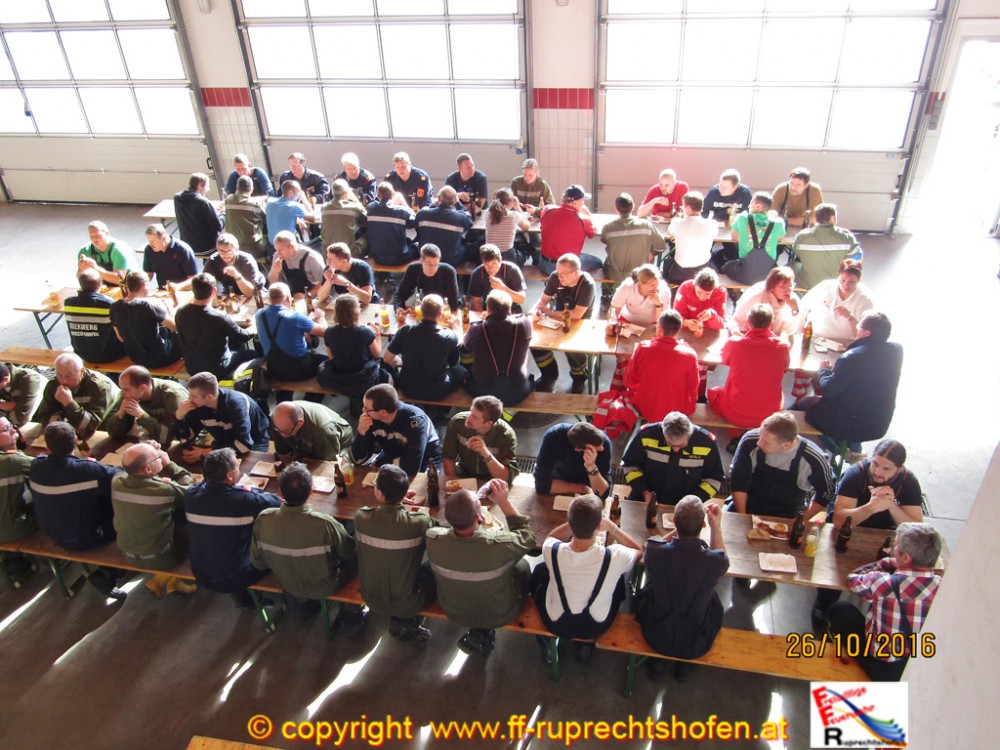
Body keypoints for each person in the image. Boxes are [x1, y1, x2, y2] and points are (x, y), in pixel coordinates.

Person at [812, 439, 925, 630]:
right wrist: (871, 507)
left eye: (886, 468)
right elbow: (839, 520)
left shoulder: (909, 482)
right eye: (875, 464)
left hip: (882, 534)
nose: (878, 472)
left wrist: (890, 505)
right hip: (847, 531)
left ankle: (877, 612)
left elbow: (915, 527)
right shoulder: (856, 474)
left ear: (899, 469)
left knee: (890, 572)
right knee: (833, 574)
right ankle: (823, 605)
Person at [425, 479, 536, 656]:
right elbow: (528, 537)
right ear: (479, 517)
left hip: (454, 611)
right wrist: (504, 502)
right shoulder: (499, 546)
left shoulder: (433, 540)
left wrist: (461, 514)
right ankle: (483, 630)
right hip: (501, 613)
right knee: (522, 566)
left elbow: (447, 529)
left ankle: (480, 632)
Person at [251, 462, 366, 629]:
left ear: (281, 492)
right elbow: (348, 552)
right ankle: (353, 614)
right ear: (311, 491)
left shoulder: (263, 520)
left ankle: (305, 602)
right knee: (358, 551)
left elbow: (258, 562)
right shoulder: (324, 524)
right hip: (325, 586)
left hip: (288, 583)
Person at [531, 494, 642, 663]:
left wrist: (575, 521)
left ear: (570, 522)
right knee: (618, 579)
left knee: (540, 571)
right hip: (596, 626)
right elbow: (639, 551)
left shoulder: (551, 550)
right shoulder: (615, 556)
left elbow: (551, 537)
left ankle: (545, 644)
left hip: (557, 624)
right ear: (599, 526)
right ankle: (585, 648)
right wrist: (612, 527)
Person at [828, 522, 941, 682]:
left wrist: (884, 563)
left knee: (840, 610)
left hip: (882, 666)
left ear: (906, 557)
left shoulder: (883, 582)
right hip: (915, 663)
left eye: (895, 546)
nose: (893, 548)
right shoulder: (943, 587)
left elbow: (853, 579)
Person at [29, 421, 126, 599]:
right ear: (75, 440)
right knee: (122, 508)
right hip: (88, 538)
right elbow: (121, 476)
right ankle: (108, 572)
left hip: (52, 533)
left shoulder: (37, 466)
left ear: (47, 446)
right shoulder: (89, 469)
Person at [638, 496, 729, 682]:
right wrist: (716, 526)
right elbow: (722, 557)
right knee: (713, 600)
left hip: (657, 636)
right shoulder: (713, 562)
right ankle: (685, 669)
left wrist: (679, 528)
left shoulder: (656, 553)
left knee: (649, 589)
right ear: (703, 525)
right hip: (695, 643)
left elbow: (648, 547)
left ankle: (657, 665)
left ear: (674, 521)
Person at [185, 447, 282, 606]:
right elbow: (276, 502)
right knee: (271, 544)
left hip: (200, 573)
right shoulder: (244, 499)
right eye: (237, 466)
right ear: (229, 475)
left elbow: (200, 486)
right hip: (236, 577)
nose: (239, 469)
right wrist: (248, 489)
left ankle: (244, 600)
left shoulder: (191, 495)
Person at [353, 464, 437, 645]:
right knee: (432, 566)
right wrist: (401, 505)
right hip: (409, 602)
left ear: (379, 493)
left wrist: (396, 502)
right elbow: (435, 529)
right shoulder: (419, 522)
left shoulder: (361, 517)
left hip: (371, 597)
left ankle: (353, 614)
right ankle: (408, 620)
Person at [797, 311, 903, 447]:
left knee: (803, 403)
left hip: (850, 424)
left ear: (867, 333)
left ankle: (821, 447)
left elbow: (829, 391)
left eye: (859, 327)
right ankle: (853, 448)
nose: (857, 330)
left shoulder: (851, 357)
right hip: (878, 424)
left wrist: (823, 370)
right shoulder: (897, 350)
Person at [112, 441, 196, 596]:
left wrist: (146, 452)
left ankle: (163, 580)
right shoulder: (163, 490)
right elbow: (191, 492)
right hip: (163, 558)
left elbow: (135, 468)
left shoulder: (117, 481)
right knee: (194, 525)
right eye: (157, 457)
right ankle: (173, 580)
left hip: (128, 555)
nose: (160, 457)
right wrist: (169, 464)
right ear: (148, 469)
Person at [708, 304, 791, 445]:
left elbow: (724, 360)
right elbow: (785, 368)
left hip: (736, 412)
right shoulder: (783, 346)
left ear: (748, 323)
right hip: (770, 412)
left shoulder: (735, 344)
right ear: (771, 324)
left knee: (714, 392)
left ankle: (736, 435)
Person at [729, 411, 836, 518]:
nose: (758, 443)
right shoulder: (749, 441)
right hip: (748, 503)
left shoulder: (814, 459)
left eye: (766, 442)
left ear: (786, 445)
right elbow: (738, 480)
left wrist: (801, 520)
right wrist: (742, 517)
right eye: (760, 435)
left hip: (789, 512)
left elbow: (826, 492)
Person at [623, 411, 726, 504]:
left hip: (688, 504)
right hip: (644, 497)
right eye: (670, 444)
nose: (676, 449)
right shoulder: (645, 435)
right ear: (663, 433)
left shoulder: (707, 443)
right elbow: (630, 466)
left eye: (681, 445)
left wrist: (693, 500)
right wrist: (644, 491)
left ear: (690, 435)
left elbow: (715, 479)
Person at [529, 254, 596, 394]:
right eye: (558, 272)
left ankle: (579, 378)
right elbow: (543, 300)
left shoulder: (587, 284)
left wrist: (549, 312)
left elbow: (577, 314)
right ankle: (549, 374)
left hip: (580, 322)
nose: (559, 277)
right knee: (535, 342)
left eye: (563, 274)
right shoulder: (555, 277)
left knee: (572, 348)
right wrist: (536, 310)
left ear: (575, 273)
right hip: (557, 318)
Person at [174, 272, 258, 381]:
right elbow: (244, 336)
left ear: (193, 290)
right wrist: (254, 326)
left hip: (193, 367)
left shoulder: (180, 312)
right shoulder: (218, 317)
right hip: (217, 369)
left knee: (232, 343)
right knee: (252, 354)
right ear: (214, 291)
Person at [623, 309, 699, 423]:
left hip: (646, 406)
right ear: (678, 331)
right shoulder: (690, 355)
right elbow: (693, 386)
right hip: (677, 409)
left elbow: (628, 381)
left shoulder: (643, 348)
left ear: (659, 330)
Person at [384, 294, 465, 401]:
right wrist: (456, 325)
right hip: (436, 390)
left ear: (421, 312)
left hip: (407, 387)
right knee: (461, 370)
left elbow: (387, 359)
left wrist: (402, 362)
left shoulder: (404, 331)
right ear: (440, 315)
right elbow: (460, 341)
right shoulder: (447, 335)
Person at [350, 384, 440, 476]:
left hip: (425, 460)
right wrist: (361, 432)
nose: (363, 411)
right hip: (393, 456)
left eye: (366, 408)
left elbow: (411, 468)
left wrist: (384, 463)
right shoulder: (371, 419)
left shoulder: (415, 421)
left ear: (383, 412)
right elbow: (358, 460)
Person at [463, 289, 534, 406]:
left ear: (488, 308)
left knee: (462, 369)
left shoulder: (476, 328)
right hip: (518, 392)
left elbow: (466, 345)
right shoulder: (524, 323)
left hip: (482, 392)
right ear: (510, 308)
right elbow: (522, 319)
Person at [174, 372, 270, 457]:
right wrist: (179, 417)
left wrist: (206, 453)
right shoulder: (198, 404)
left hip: (254, 445)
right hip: (223, 445)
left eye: (194, 396)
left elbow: (244, 445)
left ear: (210, 397)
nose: (189, 399)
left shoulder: (236, 405)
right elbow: (187, 438)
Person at [254, 282, 326, 394]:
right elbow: (325, 332)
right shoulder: (295, 317)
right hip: (300, 370)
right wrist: (321, 318)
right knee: (325, 362)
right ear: (288, 297)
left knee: (285, 357)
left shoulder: (259, 315)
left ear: (269, 298)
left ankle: (283, 397)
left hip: (274, 369)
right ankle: (312, 397)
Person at [607, 263, 670, 389]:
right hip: (628, 323)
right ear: (641, 283)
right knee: (624, 354)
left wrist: (658, 304)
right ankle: (629, 386)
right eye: (651, 285)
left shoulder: (663, 291)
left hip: (652, 327)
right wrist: (611, 322)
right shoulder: (628, 286)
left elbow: (661, 321)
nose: (655, 287)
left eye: (657, 283)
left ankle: (638, 386)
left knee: (648, 357)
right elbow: (614, 309)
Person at [317, 294, 392, 398]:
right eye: (358, 306)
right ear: (355, 312)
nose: (360, 308)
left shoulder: (329, 332)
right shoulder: (365, 332)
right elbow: (377, 354)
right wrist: (378, 333)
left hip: (341, 377)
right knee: (389, 374)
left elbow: (331, 357)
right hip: (363, 377)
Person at [34, 352, 119, 441]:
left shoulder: (99, 387)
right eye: (59, 375)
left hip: (106, 432)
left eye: (69, 375)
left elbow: (91, 425)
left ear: (81, 371)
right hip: (70, 433)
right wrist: (63, 424)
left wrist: (69, 403)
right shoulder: (53, 385)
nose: (63, 381)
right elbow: (45, 417)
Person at [109, 270, 182, 369]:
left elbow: (121, 338)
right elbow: (175, 327)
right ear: (144, 286)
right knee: (183, 334)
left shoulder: (114, 307)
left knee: (163, 331)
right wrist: (170, 310)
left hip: (135, 357)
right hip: (160, 358)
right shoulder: (147, 306)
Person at [104, 365, 187, 445]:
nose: (122, 393)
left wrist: (142, 415)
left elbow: (167, 438)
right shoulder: (129, 394)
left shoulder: (172, 395)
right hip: (150, 441)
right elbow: (114, 435)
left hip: (183, 444)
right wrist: (120, 415)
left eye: (126, 389)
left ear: (142, 388)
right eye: (121, 388)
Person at [442, 396, 518, 483]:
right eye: (471, 412)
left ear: (488, 423)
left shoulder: (505, 435)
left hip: (492, 480)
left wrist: (485, 453)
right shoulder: (457, 423)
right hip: (463, 474)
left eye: (475, 417)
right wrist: (453, 483)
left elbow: (506, 477)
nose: (469, 418)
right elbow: (448, 457)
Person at [791, 203, 863, 289]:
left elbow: (796, 252)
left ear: (816, 218)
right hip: (836, 284)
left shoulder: (802, 236)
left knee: (792, 265)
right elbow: (858, 257)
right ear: (832, 218)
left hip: (809, 284)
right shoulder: (846, 237)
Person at [800, 259, 874, 342]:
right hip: (816, 337)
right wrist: (799, 329)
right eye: (842, 280)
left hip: (846, 342)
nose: (846, 285)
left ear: (858, 280)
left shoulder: (865, 299)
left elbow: (862, 335)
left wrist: (850, 317)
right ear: (838, 276)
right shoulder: (825, 287)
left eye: (851, 282)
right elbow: (803, 306)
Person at [600, 192, 667, 283]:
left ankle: (606, 291)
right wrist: (652, 254)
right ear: (633, 206)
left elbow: (604, 240)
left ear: (615, 208)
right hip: (640, 274)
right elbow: (661, 246)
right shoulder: (646, 225)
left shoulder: (607, 228)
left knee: (602, 262)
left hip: (615, 275)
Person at [534, 422, 612, 500]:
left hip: (589, 482)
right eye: (597, 448)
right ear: (578, 449)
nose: (602, 448)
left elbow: (602, 494)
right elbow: (541, 485)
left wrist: (591, 467)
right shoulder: (554, 436)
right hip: (560, 480)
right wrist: (582, 488)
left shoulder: (603, 442)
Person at [63, 268, 126, 363]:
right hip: (110, 354)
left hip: (82, 353)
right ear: (101, 284)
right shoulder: (108, 304)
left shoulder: (68, 303)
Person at [723, 192, 786, 285]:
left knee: (727, 266)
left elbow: (734, 236)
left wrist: (748, 240)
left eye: (751, 203)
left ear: (758, 206)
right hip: (768, 277)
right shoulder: (778, 223)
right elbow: (780, 238)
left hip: (745, 274)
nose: (749, 206)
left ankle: (734, 291)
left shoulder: (742, 218)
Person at [538, 185, 599, 275]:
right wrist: (587, 213)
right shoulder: (583, 219)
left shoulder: (548, 209)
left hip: (544, 264)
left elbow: (542, 214)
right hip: (566, 267)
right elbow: (593, 233)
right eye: (582, 200)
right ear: (575, 203)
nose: (583, 203)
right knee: (598, 262)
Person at [271, 401, 353, 462]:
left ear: (300, 423)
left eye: (286, 431)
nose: (282, 435)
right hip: (309, 437)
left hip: (339, 442)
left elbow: (329, 463)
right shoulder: (278, 420)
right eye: (278, 430)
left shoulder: (322, 431)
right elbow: (283, 454)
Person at [732, 266, 802, 336]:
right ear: (772, 287)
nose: (789, 290)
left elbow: (792, 332)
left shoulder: (793, 300)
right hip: (751, 336)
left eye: (790, 286)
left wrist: (795, 309)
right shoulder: (757, 296)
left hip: (777, 338)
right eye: (784, 288)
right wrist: (736, 332)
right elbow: (736, 320)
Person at [665, 192, 718, 283]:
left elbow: (670, 230)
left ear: (688, 207)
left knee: (667, 262)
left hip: (679, 273)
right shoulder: (712, 224)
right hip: (702, 272)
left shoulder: (677, 223)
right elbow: (714, 234)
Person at [415, 185, 474, 267]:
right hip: (450, 261)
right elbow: (469, 220)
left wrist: (433, 204)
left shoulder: (423, 214)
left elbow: (417, 224)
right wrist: (458, 204)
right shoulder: (460, 218)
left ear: (438, 198)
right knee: (467, 246)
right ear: (454, 200)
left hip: (426, 257)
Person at [392, 244, 461, 312]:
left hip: (443, 307)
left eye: (436, 264)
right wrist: (398, 309)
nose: (432, 268)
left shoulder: (448, 272)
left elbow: (453, 305)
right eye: (428, 264)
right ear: (421, 261)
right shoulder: (413, 269)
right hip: (422, 305)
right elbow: (400, 295)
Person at [0, 416, 36, 544]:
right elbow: (48, 468)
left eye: (11, 426)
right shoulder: (11, 460)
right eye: (6, 429)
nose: (14, 431)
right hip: (11, 531)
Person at [200, 233, 268, 298]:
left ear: (237, 249)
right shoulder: (213, 260)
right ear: (217, 249)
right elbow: (204, 284)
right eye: (222, 251)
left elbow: (251, 293)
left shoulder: (246, 260)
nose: (226, 254)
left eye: (229, 251)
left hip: (256, 293)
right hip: (230, 292)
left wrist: (237, 276)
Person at [366, 181, 418, 266]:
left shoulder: (370, 208)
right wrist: (404, 204)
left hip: (377, 258)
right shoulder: (402, 211)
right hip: (399, 258)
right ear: (392, 195)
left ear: (378, 196)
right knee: (417, 246)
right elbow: (415, 222)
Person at [173, 172, 223, 257]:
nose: (208, 189)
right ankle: (209, 263)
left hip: (186, 246)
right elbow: (218, 226)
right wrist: (223, 214)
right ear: (200, 186)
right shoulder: (202, 202)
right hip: (206, 248)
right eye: (207, 186)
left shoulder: (177, 198)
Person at [467, 244, 525, 313]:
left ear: (500, 260)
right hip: (488, 310)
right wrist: (484, 316)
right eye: (486, 264)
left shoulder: (512, 270)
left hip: (512, 310)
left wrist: (502, 288)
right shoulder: (477, 273)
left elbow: (521, 299)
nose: (490, 269)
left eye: (494, 264)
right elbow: (475, 301)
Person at [316, 242, 378, 306]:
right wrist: (329, 281)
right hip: (347, 304)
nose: (327, 261)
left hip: (369, 304)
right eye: (327, 257)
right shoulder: (329, 268)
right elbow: (321, 298)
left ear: (343, 261)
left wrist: (345, 283)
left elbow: (366, 299)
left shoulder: (362, 267)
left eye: (331, 259)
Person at [267, 231, 325, 297]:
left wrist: (306, 296)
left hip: (313, 298)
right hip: (290, 297)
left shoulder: (312, 258)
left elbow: (324, 285)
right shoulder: (277, 256)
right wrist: (275, 272)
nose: (278, 253)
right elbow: (273, 285)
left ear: (292, 247)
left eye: (281, 250)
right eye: (276, 249)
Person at [77, 220, 137, 284]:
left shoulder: (119, 250)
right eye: (92, 236)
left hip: (129, 285)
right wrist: (82, 269)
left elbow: (120, 279)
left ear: (107, 233)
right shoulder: (85, 250)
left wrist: (95, 268)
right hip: (101, 286)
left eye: (98, 235)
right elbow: (79, 276)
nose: (95, 239)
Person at [223, 174, 267, 262]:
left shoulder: (228, 200)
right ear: (252, 189)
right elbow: (267, 219)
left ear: (237, 187)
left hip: (233, 248)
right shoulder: (256, 204)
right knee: (272, 242)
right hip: (254, 250)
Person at [320, 179, 368, 259]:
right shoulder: (355, 207)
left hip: (327, 254)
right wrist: (355, 199)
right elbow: (368, 220)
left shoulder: (324, 207)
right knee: (368, 236)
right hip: (348, 254)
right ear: (346, 193)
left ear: (332, 193)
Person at [484, 187, 533, 267]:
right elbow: (526, 227)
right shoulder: (514, 215)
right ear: (511, 202)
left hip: (490, 255)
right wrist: (518, 208)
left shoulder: (487, 213)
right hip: (508, 257)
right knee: (527, 246)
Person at [141, 224, 198, 289]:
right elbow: (148, 274)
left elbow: (194, 278)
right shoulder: (149, 250)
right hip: (162, 291)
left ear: (163, 238)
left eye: (153, 241)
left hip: (183, 290)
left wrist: (178, 286)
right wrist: (140, 283)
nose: (151, 244)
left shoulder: (183, 250)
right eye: (149, 241)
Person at [265, 180, 310, 246]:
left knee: (301, 227)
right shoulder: (294, 206)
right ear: (291, 193)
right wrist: (304, 198)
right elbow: (313, 218)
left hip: (271, 245)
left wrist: (298, 221)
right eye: (299, 192)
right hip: (286, 246)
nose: (300, 194)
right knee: (307, 232)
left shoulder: (270, 202)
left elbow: (282, 215)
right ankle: (307, 245)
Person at [0, 361, 44, 427]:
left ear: (5, 379)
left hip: (41, 419)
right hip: (18, 418)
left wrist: (7, 407)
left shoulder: (28, 379)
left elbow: (22, 419)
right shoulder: (3, 382)